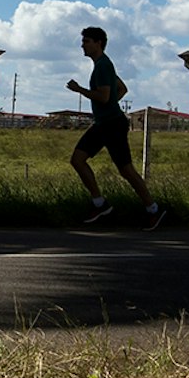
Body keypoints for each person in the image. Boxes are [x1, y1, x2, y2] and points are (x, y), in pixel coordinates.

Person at [66, 25, 165, 228]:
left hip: (111, 125)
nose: (82, 45)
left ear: (98, 43)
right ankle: (100, 204)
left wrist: (80, 90)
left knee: (126, 170)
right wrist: (112, 105)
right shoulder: (103, 64)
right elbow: (121, 89)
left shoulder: (103, 66)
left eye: (86, 41)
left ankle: (153, 210)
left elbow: (103, 97)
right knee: (78, 159)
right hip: (107, 122)